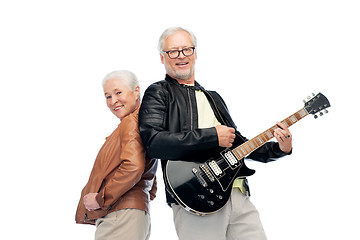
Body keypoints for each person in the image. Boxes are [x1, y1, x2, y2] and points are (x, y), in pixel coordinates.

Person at [138, 27, 292, 240]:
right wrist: (212, 136)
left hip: (237, 193)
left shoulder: (214, 97)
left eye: (187, 49)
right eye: (173, 51)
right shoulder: (159, 92)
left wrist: (280, 148)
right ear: (162, 57)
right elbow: (153, 143)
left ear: (196, 53)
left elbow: (239, 146)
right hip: (196, 196)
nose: (181, 56)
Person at [75, 70, 157, 240]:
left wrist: (100, 198)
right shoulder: (144, 123)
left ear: (136, 91)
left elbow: (134, 167)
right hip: (131, 214)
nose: (113, 101)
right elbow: (150, 183)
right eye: (108, 96)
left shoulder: (130, 123)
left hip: (121, 215)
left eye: (118, 92)